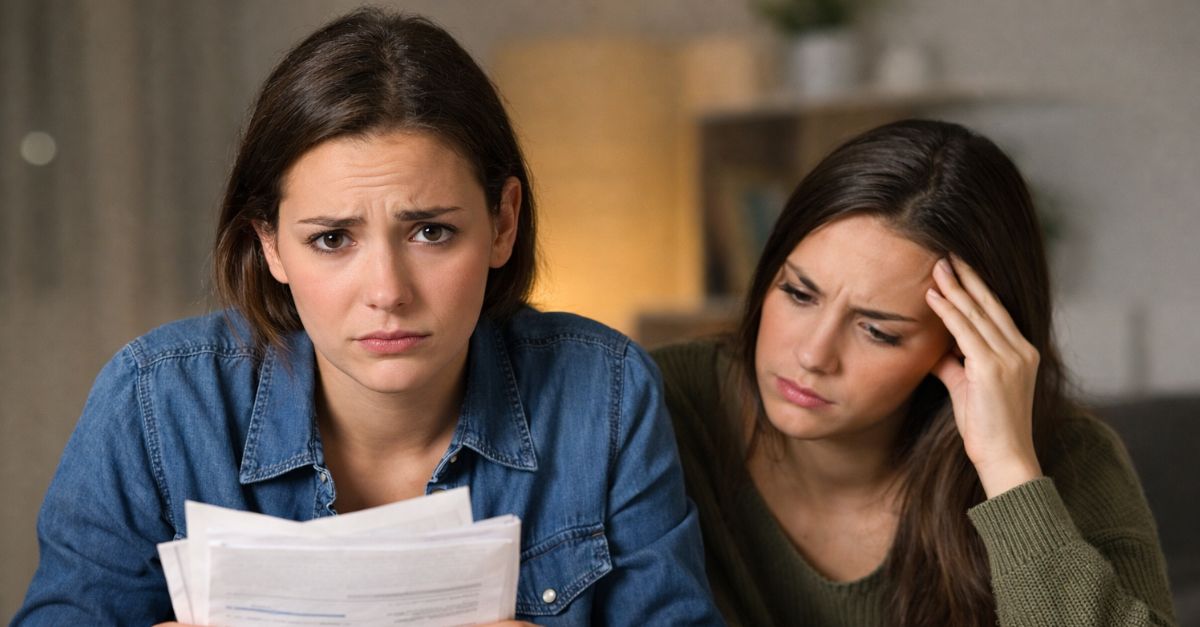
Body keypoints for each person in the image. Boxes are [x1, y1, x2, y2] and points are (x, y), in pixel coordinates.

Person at [14, 8, 720, 626]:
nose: (387, 291)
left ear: (503, 223)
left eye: (431, 232)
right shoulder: (155, 401)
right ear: (271, 245)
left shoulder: (605, 391)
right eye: (332, 239)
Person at [653, 119, 1176, 626]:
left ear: (965, 346)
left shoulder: (1066, 458)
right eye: (798, 293)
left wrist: (1007, 470)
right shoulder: (656, 403)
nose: (813, 355)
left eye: (877, 331)